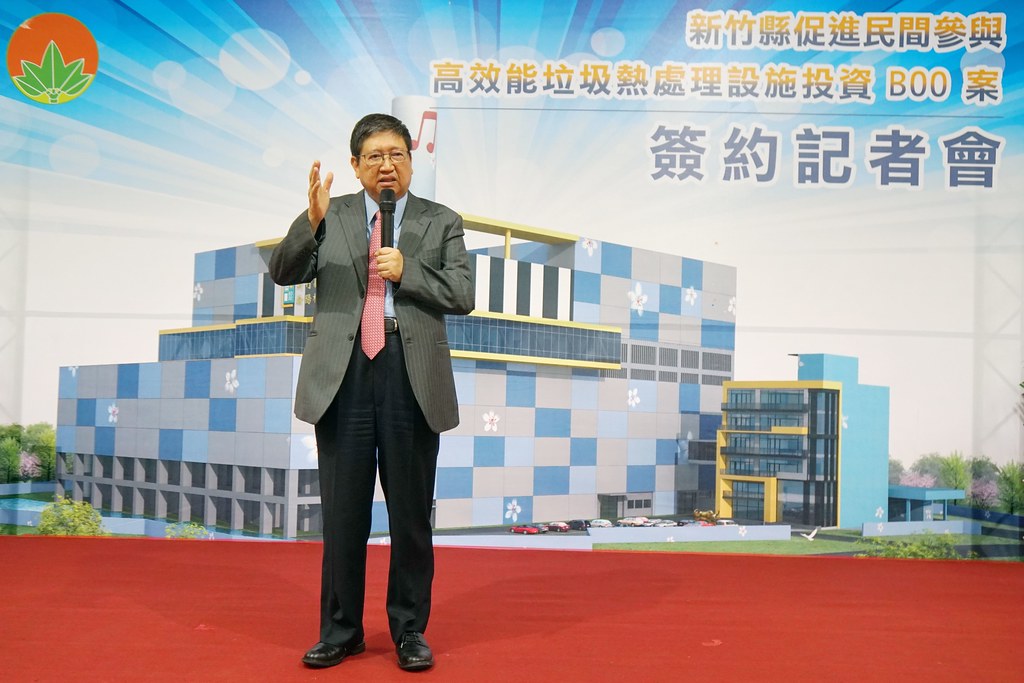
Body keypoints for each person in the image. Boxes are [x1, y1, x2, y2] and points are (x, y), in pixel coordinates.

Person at [269, 113, 474, 672]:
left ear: (411, 161)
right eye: (375, 156)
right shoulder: (329, 214)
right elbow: (283, 272)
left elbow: (462, 293)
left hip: (411, 371)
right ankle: (341, 631)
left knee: (410, 515)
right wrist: (310, 222)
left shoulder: (441, 221)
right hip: (344, 373)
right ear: (356, 165)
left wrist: (409, 271)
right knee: (343, 514)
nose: (387, 165)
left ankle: (409, 630)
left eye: (397, 154)